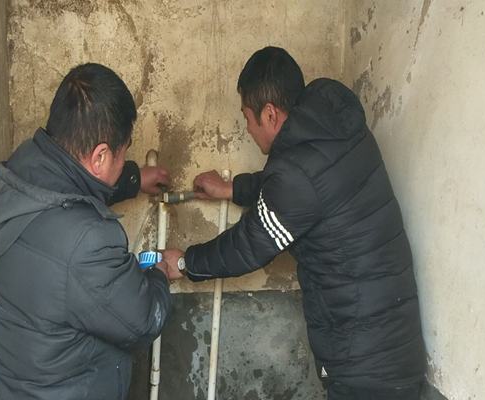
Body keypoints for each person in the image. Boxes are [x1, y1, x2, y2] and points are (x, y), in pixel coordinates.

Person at [180, 47, 426, 399]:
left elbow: (247, 246)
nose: (248, 128)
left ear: (269, 114)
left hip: (364, 364)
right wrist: (232, 188)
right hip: (393, 346)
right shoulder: (335, 131)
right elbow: (304, 187)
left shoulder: (297, 174)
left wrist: (184, 262)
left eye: (247, 117)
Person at [0, 63, 182, 400]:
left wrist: (132, 178)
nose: (123, 160)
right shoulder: (88, 241)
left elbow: (69, 186)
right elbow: (142, 322)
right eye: (122, 153)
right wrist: (159, 273)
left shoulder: (23, 170)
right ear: (100, 157)